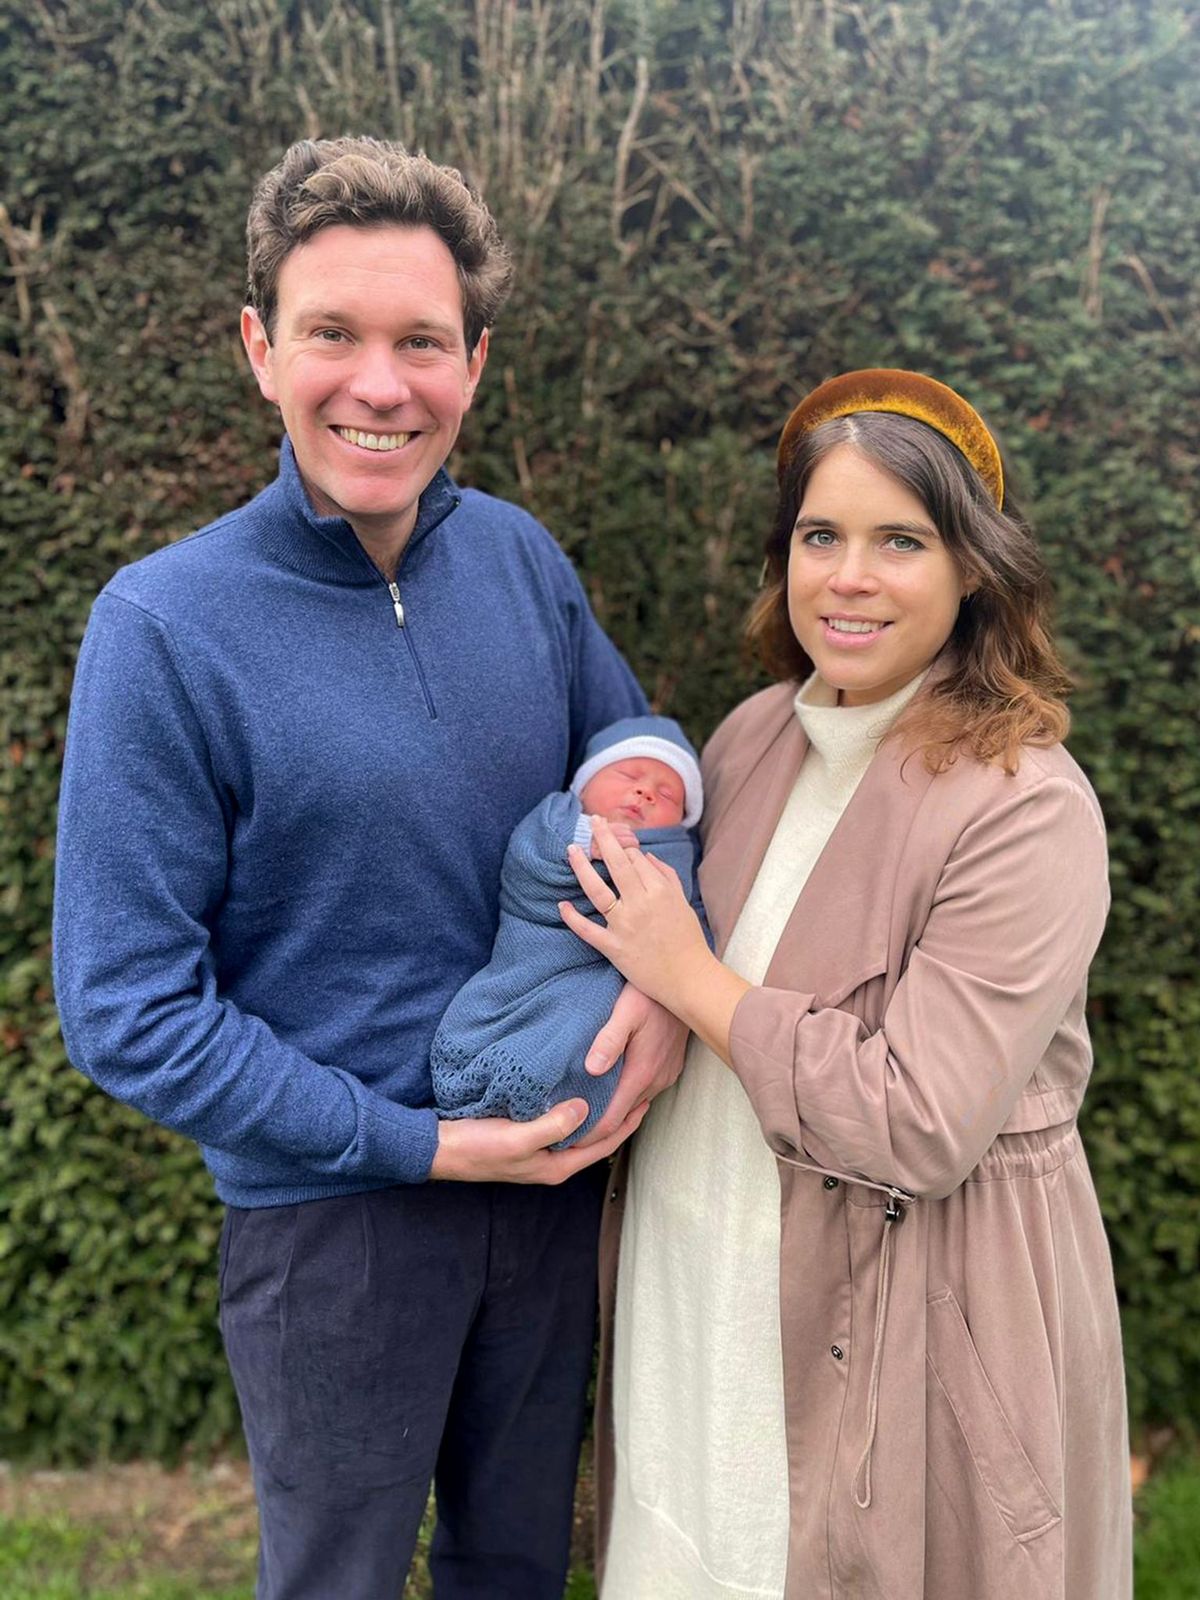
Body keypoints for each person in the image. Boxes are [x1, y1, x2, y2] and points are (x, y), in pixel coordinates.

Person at [52, 136, 688, 1600]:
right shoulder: (164, 627)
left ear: (474, 359)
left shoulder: (524, 561)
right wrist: (417, 1143)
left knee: (520, 1567)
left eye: (420, 341)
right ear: (259, 348)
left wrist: (669, 989)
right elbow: (128, 1009)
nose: (379, 384)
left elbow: (645, 782)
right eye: (332, 333)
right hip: (333, 1229)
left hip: (556, 1193)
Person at [562, 370, 1132, 1600]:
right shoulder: (753, 735)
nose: (850, 578)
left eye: (900, 542)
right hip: (695, 1273)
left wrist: (691, 978)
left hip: (906, 1313)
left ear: (974, 566)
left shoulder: (1026, 807)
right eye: (822, 536)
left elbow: (915, 1120)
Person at [432, 715, 705, 1144]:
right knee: (531, 1013)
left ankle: (565, 1106)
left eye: (667, 793)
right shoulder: (559, 815)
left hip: (608, 977)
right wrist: (583, 841)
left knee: (592, 1023)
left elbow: (693, 920)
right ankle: (492, 1080)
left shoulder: (679, 854)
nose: (645, 792)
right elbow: (526, 863)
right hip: (543, 952)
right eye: (629, 775)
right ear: (585, 784)